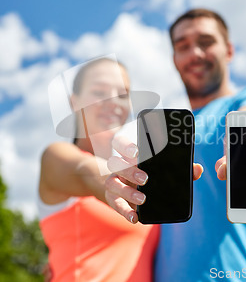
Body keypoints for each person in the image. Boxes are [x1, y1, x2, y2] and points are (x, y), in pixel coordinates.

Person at [105, 9, 246, 281]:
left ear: (228, 50)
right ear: (175, 59)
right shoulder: (166, 131)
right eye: (183, 46)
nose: (195, 53)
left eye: (206, 42)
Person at [38, 58, 163, 282]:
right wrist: (114, 178)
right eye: (99, 91)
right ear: (74, 102)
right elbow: (85, 170)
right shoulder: (56, 157)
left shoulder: (138, 178)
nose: (114, 102)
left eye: (123, 95)